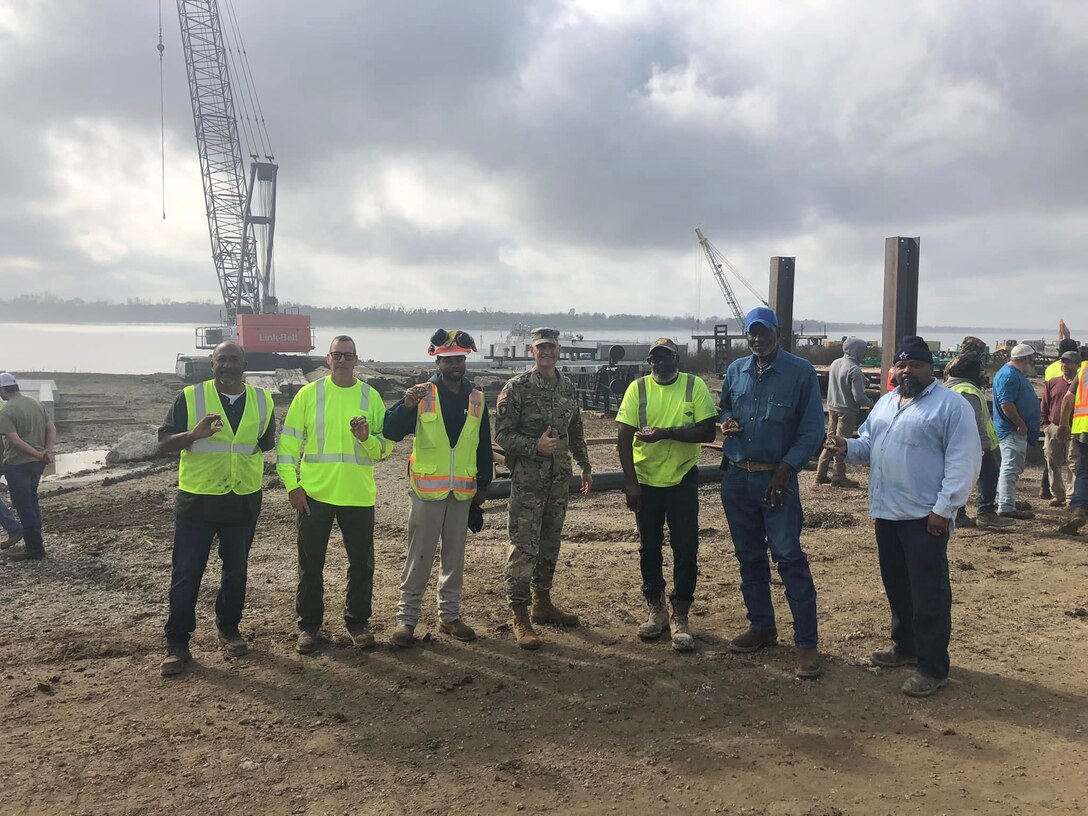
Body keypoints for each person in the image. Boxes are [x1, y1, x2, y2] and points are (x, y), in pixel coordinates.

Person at [827, 336, 980, 698]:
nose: (907, 370)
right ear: (894, 369)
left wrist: (945, 509)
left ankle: (932, 667)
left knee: (929, 592)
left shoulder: (951, 406)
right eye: (902, 364)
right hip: (887, 511)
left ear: (932, 369)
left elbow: (964, 462)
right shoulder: (885, 403)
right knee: (897, 584)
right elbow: (870, 445)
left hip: (925, 516)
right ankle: (906, 646)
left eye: (915, 364)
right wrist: (847, 447)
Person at [717, 307, 825, 679]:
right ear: (747, 335)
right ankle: (762, 626)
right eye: (752, 333)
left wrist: (786, 468)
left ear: (778, 332)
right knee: (748, 557)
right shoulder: (736, 371)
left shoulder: (800, 372)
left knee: (789, 559)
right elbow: (725, 407)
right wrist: (725, 422)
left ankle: (807, 644)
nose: (758, 339)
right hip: (736, 479)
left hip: (777, 481)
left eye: (765, 332)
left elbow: (812, 430)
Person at [155, 342, 275, 677]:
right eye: (221, 359)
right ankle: (177, 643)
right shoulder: (190, 397)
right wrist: (193, 435)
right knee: (186, 574)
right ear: (212, 363)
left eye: (233, 360)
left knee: (236, 572)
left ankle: (229, 629)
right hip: (198, 501)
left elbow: (264, 444)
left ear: (244, 364)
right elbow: (163, 444)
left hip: (242, 499)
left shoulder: (263, 401)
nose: (227, 366)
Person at [276, 336, 395, 654]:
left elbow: (384, 449)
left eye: (348, 355)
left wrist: (367, 439)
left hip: (357, 495)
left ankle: (357, 623)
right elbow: (287, 446)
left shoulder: (370, 397)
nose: (342, 360)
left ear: (356, 359)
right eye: (336, 354)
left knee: (361, 564)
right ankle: (309, 627)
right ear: (327, 359)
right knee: (310, 564)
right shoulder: (308, 394)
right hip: (314, 494)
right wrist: (292, 485)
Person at [382, 330, 494, 647]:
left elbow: (483, 445)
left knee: (454, 559)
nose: (455, 364)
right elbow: (391, 430)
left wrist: (483, 486)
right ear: (438, 360)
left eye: (460, 358)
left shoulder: (476, 398)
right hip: (427, 492)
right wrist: (405, 406)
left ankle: (450, 616)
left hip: (462, 492)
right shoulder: (421, 394)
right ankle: (406, 621)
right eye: (449, 359)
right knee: (418, 557)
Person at [616, 338, 717, 652]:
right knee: (649, 547)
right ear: (649, 363)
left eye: (666, 358)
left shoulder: (693, 386)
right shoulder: (638, 389)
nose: (660, 364)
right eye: (654, 360)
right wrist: (630, 483)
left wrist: (666, 433)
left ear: (677, 360)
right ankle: (656, 608)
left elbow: (707, 431)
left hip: (682, 478)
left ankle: (681, 612)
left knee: (686, 546)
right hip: (646, 480)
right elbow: (622, 437)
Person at [495, 327, 592, 650]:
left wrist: (585, 464)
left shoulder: (567, 387)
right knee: (524, 546)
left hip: (558, 480)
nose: (546, 353)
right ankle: (520, 614)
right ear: (532, 352)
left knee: (550, 542)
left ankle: (543, 602)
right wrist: (534, 446)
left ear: (558, 351)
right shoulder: (517, 388)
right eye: (540, 348)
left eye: (551, 347)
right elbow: (503, 436)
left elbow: (575, 429)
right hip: (528, 482)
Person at [944, 354, 1009, 530]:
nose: (982, 374)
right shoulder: (967, 390)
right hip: (972, 445)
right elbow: (973, 419)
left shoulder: (951, 388)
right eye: (980, 371)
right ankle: (985, 513)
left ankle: (959, 515)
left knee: (960, 478)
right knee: (988, 475)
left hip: (959, 443)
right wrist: (984, 444)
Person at [0, 372, 56, 561]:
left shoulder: (7, 411)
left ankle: (35, 549)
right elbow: (51, 428)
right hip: (37, 464)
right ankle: (35, 544)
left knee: (24, 506)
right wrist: (46, 451)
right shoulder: (35, 403)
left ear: (3, 389)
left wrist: (37, 453)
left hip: (18, 464)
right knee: (32, 501)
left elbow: (14, 440)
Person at [992, 344, 1041, 520]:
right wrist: (1020, 423)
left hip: (1013, 429)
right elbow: (1006, 404)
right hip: (1012, 430)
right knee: (1011, 467)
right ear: (1026, 359)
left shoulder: (1010, 374)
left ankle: (1002, 500)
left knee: (1011, 466)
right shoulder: (1009, 376)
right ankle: (1005, 505)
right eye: (1031, 359)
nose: (1032, 363)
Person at [816, 337, 871, 487]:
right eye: (863, 351)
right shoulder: (854, 369)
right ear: (856, 351)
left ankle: (820, 473)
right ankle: (838, 475)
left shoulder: (835, 363)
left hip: (832, 407)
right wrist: (871, 404)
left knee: (830, 441)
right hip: (846, 411)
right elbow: (858, 396)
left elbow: (841, 381)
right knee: (841, 444)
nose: (864, 354)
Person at [1039, 338, 1078, 501]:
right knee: (1052, 461)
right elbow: (1045, 404)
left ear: (1077, 365)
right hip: (1053, 427)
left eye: (1068, 362)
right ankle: (1057, 494)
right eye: (1063, 362)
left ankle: (1072, 495)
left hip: (1073, 428)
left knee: (1073, 463)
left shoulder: (1082, 384)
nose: (1064, 365)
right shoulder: (1052, 383)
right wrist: (1046, 425)